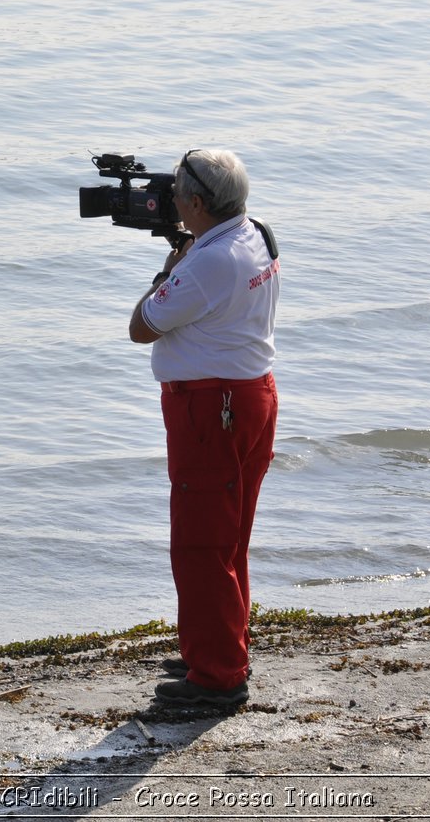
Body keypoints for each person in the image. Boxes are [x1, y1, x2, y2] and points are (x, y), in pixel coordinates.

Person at [127, 148, 279, 711]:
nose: (168, 202)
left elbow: (142, 326)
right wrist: (185, 251)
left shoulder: (207, 264)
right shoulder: (254, 232)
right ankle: (216, 648)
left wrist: (170, 269)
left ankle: (218, 675)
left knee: (199, 542)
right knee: (229, 537)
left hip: (211, 409)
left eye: (176, 196)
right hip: (251, 395)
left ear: (195, 202)